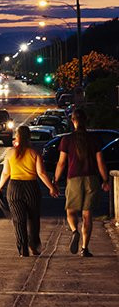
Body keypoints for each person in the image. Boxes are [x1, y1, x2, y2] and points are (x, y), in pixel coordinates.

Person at [0, 124, 58, 257]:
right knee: (33, 218)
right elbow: (41, 173)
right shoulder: (34, 153)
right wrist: (51, 187)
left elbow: (5, 173)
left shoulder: (10, 153)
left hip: (14, 188)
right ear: (29, 137)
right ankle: (33, 246)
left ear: (17, 137)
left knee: (18, 219)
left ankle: (22, 248)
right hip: (31, 187)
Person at [54, 107, 110, 257]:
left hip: (74, 179)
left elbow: (61, 163)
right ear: (86, 121)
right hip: (92, 180)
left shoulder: (67, 140)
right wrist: (105, 180)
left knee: (71, 211)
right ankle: (85, 248)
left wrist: (55, 180)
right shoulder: (94, 140)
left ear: (73, 121)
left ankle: (74, 231)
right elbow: (101, 162)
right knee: (87, 215)